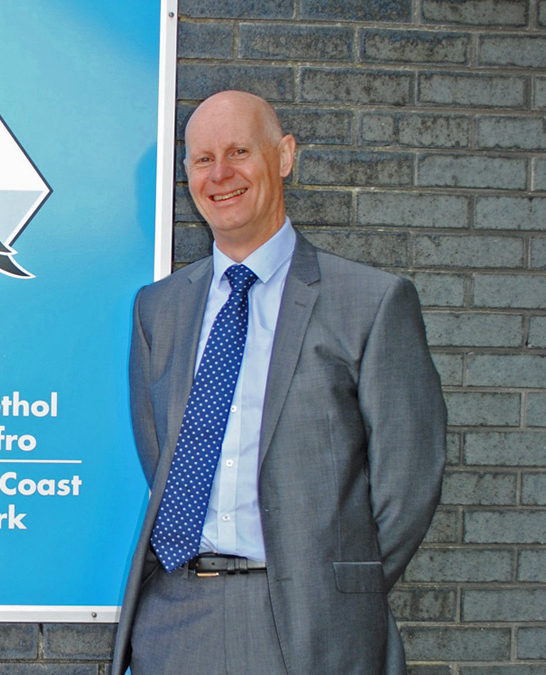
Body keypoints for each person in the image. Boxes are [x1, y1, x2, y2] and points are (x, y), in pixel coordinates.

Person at [112, 91, 445, 674]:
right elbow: (159, 457)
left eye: (239, 151)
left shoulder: (370, 302)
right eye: (202, 159)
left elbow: (407, 484)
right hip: (175, 621)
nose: (221, 174)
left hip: (311, 630)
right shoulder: (158, 310)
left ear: (284, 155)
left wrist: (338, 592)